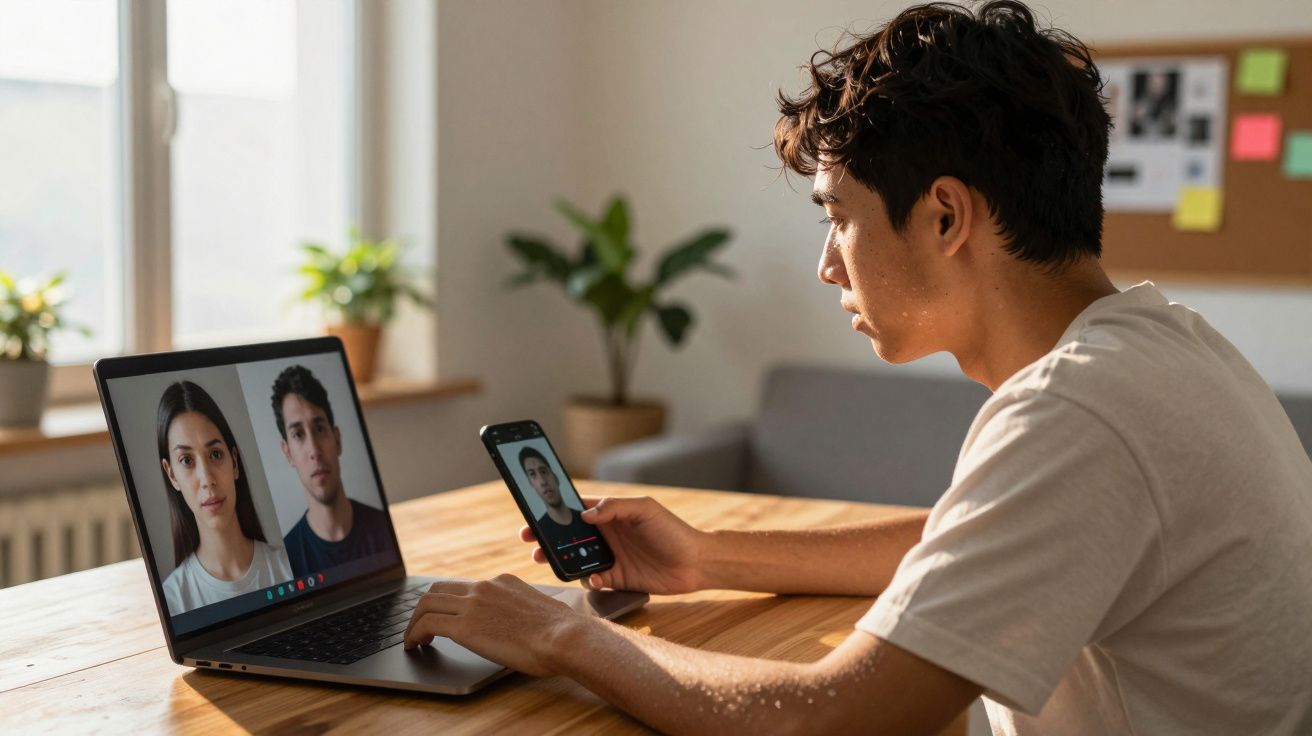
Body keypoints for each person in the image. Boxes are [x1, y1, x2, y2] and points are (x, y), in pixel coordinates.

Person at [403, 2, 1312, 734]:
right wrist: (709, 555)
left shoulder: (1078, 411)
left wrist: (561, 635)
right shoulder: (1168, 347)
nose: (827, 265)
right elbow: (967, 541)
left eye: (839, 216)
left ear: (946, 216)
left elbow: (831, 718)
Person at [158, 380, 292, 614]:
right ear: (172, 475)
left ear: (234, 462)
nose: (207, 479)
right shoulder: (173, 600)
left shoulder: (290, 568)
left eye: (215, 454)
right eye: (187, 460)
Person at [271, 364, 392, 577]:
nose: (314, 451)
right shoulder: (286, 563)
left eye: (319, 428)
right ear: (288, 453)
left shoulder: (383, 528)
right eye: (298, 434)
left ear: (337, 440)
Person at [517, 446, 594, 549]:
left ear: (556, 477)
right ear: (531, 484)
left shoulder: (586, 517)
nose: (543, 482)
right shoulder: (541, 529)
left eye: (543, 471)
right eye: (532, 474)